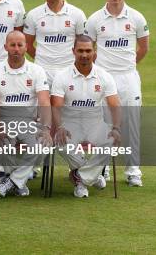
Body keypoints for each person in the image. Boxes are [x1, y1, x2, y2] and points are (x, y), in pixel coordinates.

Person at [85, 0, 149, 187]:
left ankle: (133, 171)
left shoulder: (137, 18)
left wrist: (128, 66)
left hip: (128, 78)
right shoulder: (95, 19)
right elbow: (87, 50)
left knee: (131, 125)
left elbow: (143, 48)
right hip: (103, 79)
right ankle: (102, 171)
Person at [51, 35, 121, 197]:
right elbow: (56, 106)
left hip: (95, 124)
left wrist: (116, 128)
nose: (84, 55)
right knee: (60, 143)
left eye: (88, 51)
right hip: (70, 124)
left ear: (94, 52)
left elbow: (115, 105)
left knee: (111, 140)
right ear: (73, 51)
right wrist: (60, 127)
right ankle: (92, 177)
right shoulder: (62, 76)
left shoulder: (104, 76)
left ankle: (80, 177)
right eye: (80, 51)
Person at [0, 31, 52, 198]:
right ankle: (17, 181)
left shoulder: (37, 71)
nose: (16, 49)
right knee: (1, 143)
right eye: (12, 45)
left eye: (20, 45)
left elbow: (44, 102)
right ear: (5, 47)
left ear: (26, 47)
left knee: (43, 143)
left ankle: (12, 181)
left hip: (28, 121)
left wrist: (46, 128)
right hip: (3, 120)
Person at [24, 0, 86, 84]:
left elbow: (83, 44)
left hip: (69, 69)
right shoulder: (34, 14)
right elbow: (27, 45)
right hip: (42, 70)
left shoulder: (77, 14)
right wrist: (42, 60)